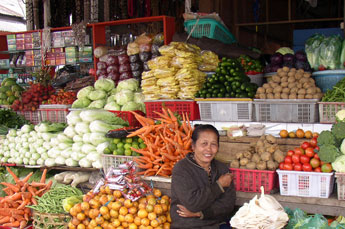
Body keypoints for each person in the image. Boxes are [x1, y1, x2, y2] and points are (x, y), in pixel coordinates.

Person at [170, 124, 236, 229]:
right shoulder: (181, 169)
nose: (209, 149)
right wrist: (219, 185)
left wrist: (199, 213)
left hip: (215, 225)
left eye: (213, 144)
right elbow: (192, 203)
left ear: (218, 147)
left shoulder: (222, 169)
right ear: (193, 145)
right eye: (204, 144)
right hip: (187, 226)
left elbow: (228, 204)